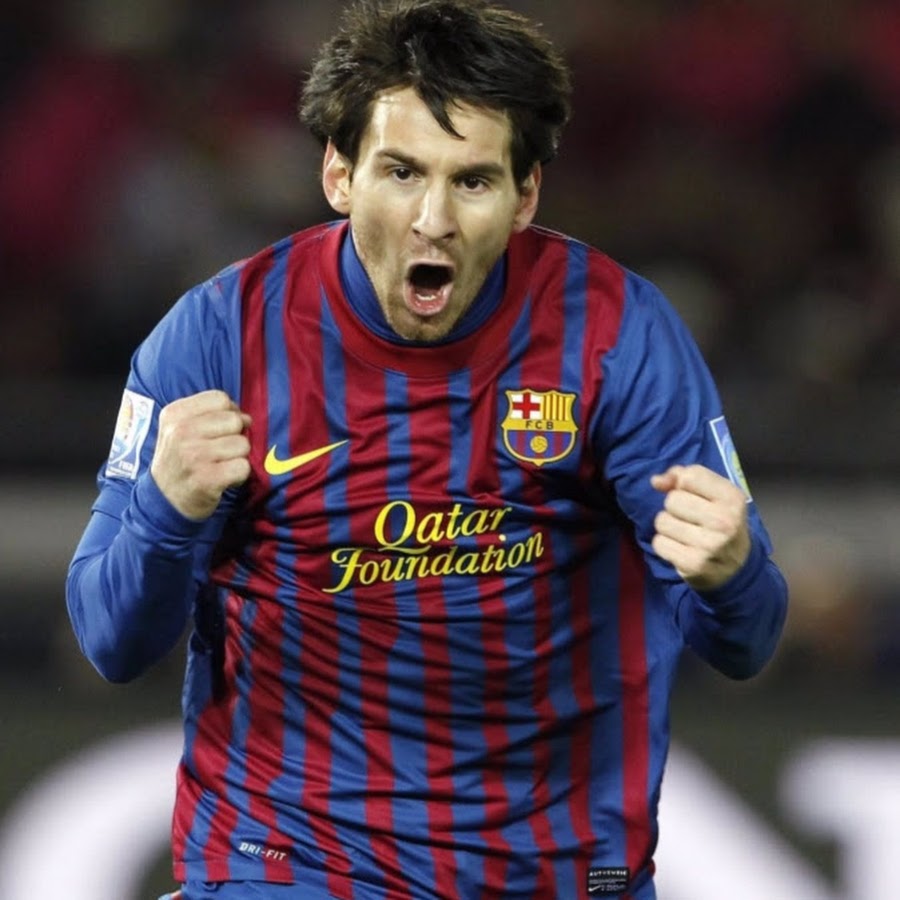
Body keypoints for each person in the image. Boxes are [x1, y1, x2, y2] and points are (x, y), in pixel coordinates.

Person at [65, 1, 788, 898]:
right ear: (339, 174)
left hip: (550, 874)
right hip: (289, 867)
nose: (433, 219)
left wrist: (730, 572)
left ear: (526, 196)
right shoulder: (217, 338)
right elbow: (110, 641)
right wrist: (164, 512)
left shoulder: (618, 336)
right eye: (402, 172)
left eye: (473, 181)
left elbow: (747, 640)